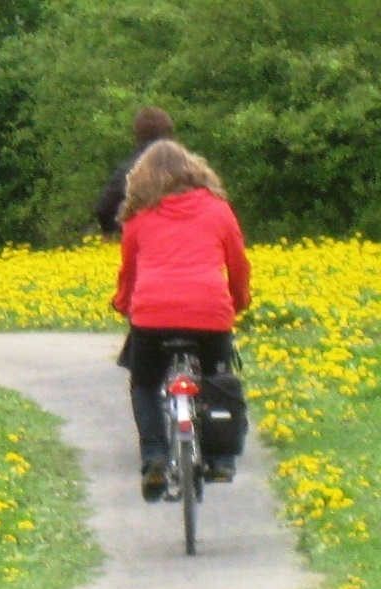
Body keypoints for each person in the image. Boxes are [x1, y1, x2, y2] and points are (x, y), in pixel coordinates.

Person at [110, 140, 252, 500]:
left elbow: (129, 272)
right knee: (217, 378)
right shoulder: (219, 210)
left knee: (144, 384)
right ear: (195, 170)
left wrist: (123, 303)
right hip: (209, 310)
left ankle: (155, 457)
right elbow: (238, 264)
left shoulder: (139, 217)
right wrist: (239, 300)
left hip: (153, 313)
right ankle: (221, 458)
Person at [95, 107, 174, 238]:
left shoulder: (129, 170)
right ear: (170, 134)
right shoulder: (191, 169)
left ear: (137, 136)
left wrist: (115, 232)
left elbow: (104, 208)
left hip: (142, 241)